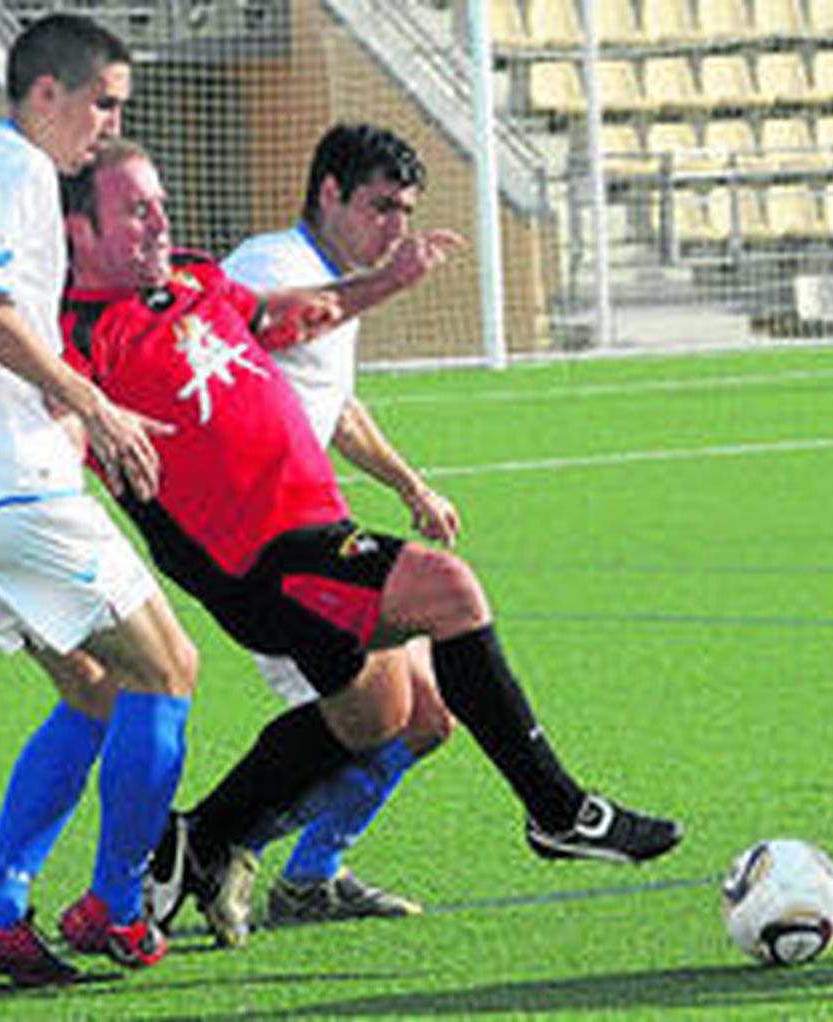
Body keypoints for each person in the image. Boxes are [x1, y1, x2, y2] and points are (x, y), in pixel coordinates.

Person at [57, 139, 684, 948]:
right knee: (449, 591)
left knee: (382, 716)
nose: (158, 224)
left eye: (161, 204)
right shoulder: (73, 336)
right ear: (77, 230)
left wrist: (385, 284)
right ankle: (558, 810)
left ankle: (204, 839)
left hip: (315, 522)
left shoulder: (195, 274)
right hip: (258, 561)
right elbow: (49, 440)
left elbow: (278, 321)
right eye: (135, 211)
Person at [0, 15, 196, 986]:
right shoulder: (16, 170)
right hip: (8, 484)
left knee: (94, 688)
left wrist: (23, 407)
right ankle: (114, 902)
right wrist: (85, 403)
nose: (108, 124)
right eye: (102, 102)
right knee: (167, 667)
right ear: (46, 93)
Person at [217, 124, 462, 928]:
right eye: (379, 206)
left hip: (324, 529)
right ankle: (217, 842)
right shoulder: (271, 268)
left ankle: (310, 875)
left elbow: (335, 406)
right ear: (328, 192)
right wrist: (389, 282)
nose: (394, 226)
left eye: (405, 211)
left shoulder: (335, 280)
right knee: (370, 722)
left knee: (427, 719)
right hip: (268, 547)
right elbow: (256, 332)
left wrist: (410, 485)